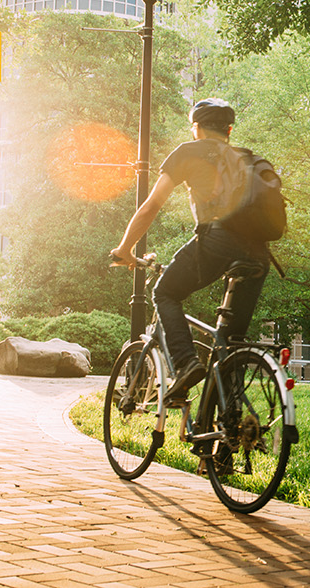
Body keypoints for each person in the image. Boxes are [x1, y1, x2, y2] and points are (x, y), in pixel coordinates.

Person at [110, 98, 269, 405]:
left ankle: (185, 364)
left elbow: (151, 205)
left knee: (165, 293)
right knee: (231, 345)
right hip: (260, 254)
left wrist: (125, 248)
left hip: (218, 241)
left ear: (196, 128)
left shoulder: (189, 151)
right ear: (229, 130)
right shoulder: (247, 157)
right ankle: (223, 438)